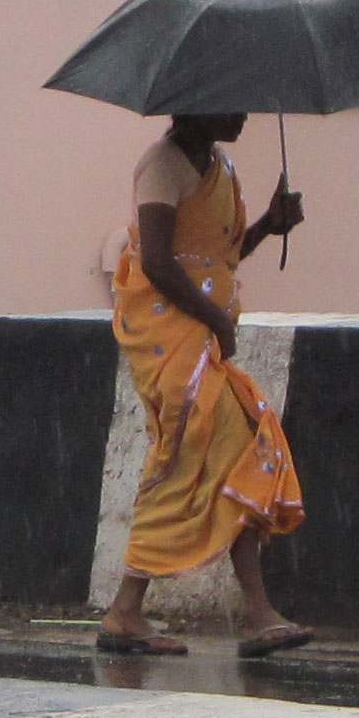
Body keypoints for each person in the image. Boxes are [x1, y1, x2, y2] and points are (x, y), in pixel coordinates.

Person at [92, 113, 309, 660]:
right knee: (198, 455)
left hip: (201, 336)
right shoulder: (162, 166)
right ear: (193, 103)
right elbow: (161, 263)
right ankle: (238, 614)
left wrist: (266, 224)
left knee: (225, 458)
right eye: (229, 101)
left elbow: (220, 257)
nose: (240, 114)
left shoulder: (220, 166)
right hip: (170, 335)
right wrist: (216, 318)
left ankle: (145, 609)